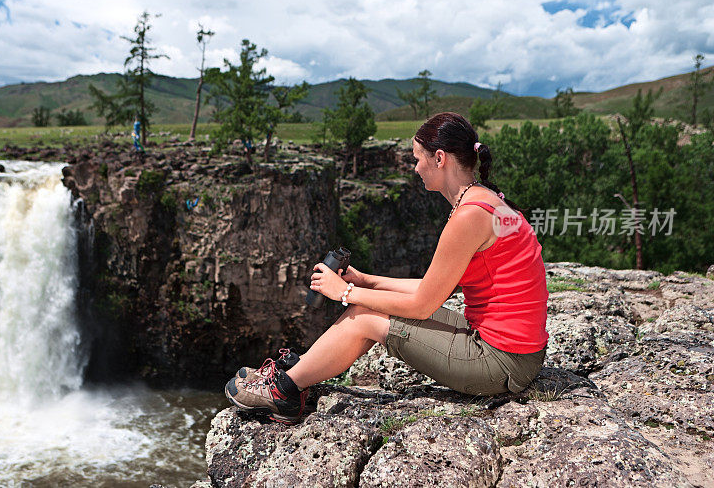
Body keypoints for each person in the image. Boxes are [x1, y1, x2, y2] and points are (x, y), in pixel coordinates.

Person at [225, 112, 549, 424]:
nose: (415, 167)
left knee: (362, 316)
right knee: (364, 304)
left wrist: (347, 293)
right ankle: (297, 374)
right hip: (515, 351)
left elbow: (422, 306)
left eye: (417, 158)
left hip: (501, 361)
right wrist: (365, 281)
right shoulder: (485, 201)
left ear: (440, 159)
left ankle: (282, 391)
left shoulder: (470, 215)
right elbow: (435, 288)